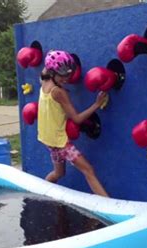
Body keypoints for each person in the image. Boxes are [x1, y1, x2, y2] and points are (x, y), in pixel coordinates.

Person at [37, 50, 109, 197]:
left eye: (68, 74)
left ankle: (41, 194)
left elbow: (45, 68)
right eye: (63, 75)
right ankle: (110, 207)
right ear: (52, 72)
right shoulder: (58, 92)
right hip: (60, 142)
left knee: (59, 173)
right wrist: (97, 104)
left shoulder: (43, 80)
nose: (67, 79)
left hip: (47, 140)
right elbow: (76, 119)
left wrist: (51, 55)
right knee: (88, 170)